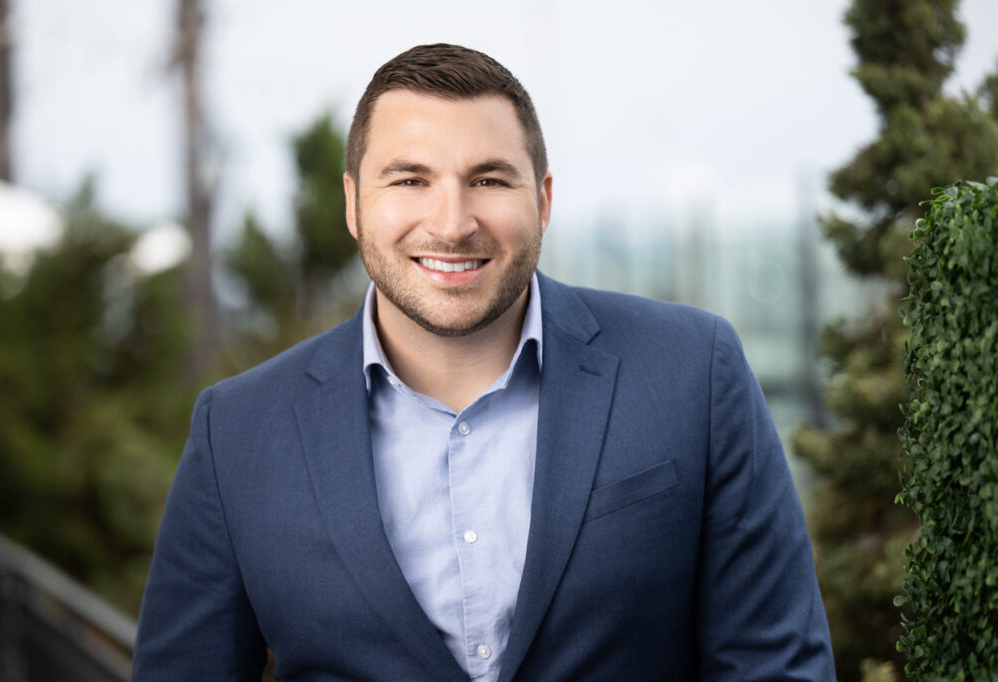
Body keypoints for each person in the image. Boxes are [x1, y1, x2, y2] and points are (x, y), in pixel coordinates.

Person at [133, 43, 835, 681]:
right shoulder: (238, 432)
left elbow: (775, 665)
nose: (451, 222)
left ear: (544, 199)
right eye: (409, 180)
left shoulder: (692, 372)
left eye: (490, 180)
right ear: (352, 203)